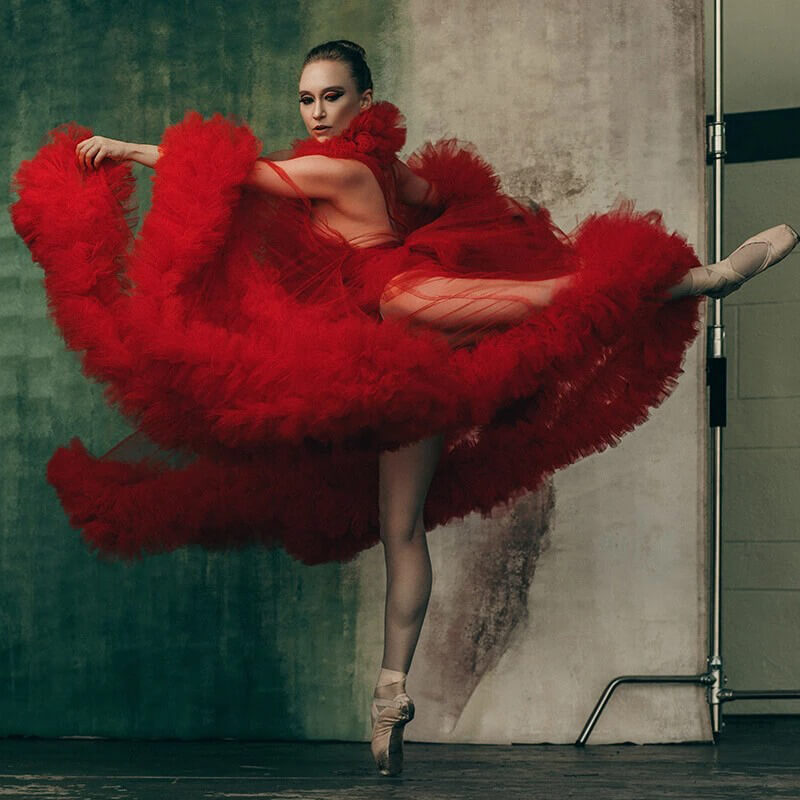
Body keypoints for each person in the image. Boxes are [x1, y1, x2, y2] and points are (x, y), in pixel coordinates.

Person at [18, 39, 798, 778]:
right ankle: (390, 699)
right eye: (306, 100)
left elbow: (236, 174)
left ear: (365, 101)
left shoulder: (341, 170)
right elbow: (441, 198)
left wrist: (128, 150)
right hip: (403, 374)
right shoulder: (388, 171)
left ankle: (702, 279)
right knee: (400, 529)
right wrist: (508, 211)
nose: (317, 113)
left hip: (409, 307)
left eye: (332, 98)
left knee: (549, 297)